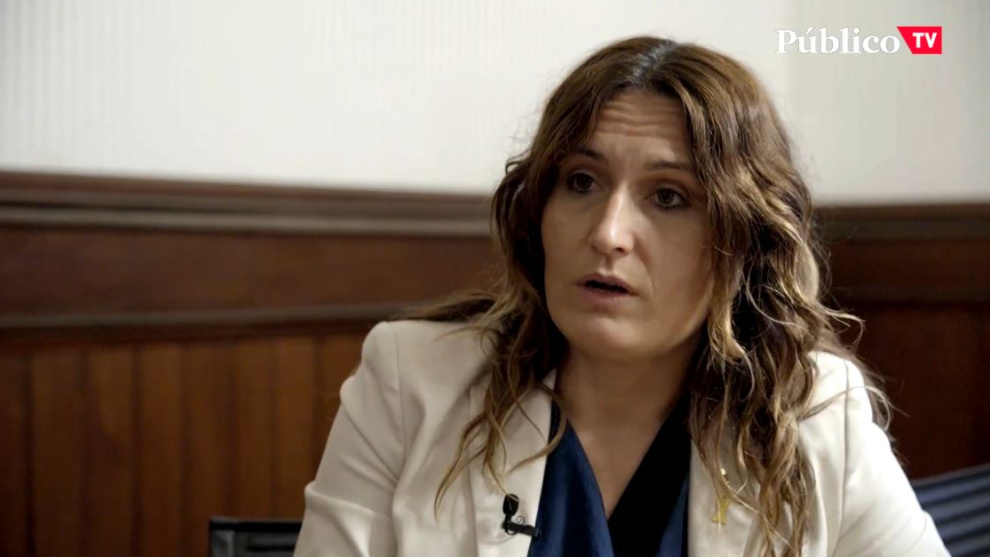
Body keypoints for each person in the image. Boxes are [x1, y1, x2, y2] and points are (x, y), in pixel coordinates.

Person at [293, 35, 948, 557]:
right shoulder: (411, 380)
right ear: (537, 209)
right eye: (581, 181)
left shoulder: (815, 416)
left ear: (742, 240)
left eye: (668, 197)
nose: (608, 233)